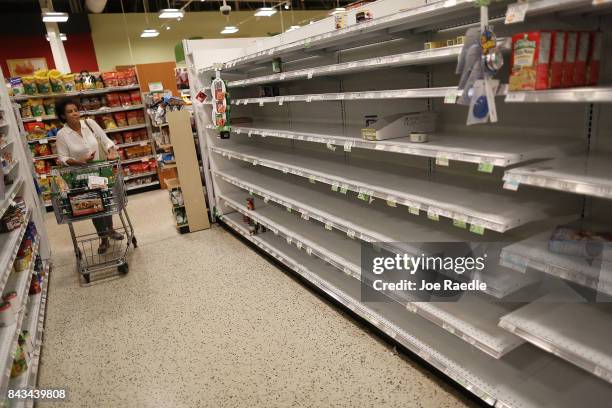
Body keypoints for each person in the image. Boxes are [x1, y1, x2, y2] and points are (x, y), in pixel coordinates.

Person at [55, 98, 123, 254]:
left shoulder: (90, 124)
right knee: (94, 207)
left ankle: (110, 230)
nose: (75, 114)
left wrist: (111, 151)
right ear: (63, 116)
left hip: (100, 170)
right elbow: (63, 158)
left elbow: (106, 141)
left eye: (76, 110)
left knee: (105, 201)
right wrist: (79, 161)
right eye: (70, 112)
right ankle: (103, 238)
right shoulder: (62, 134)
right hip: (82, 176)